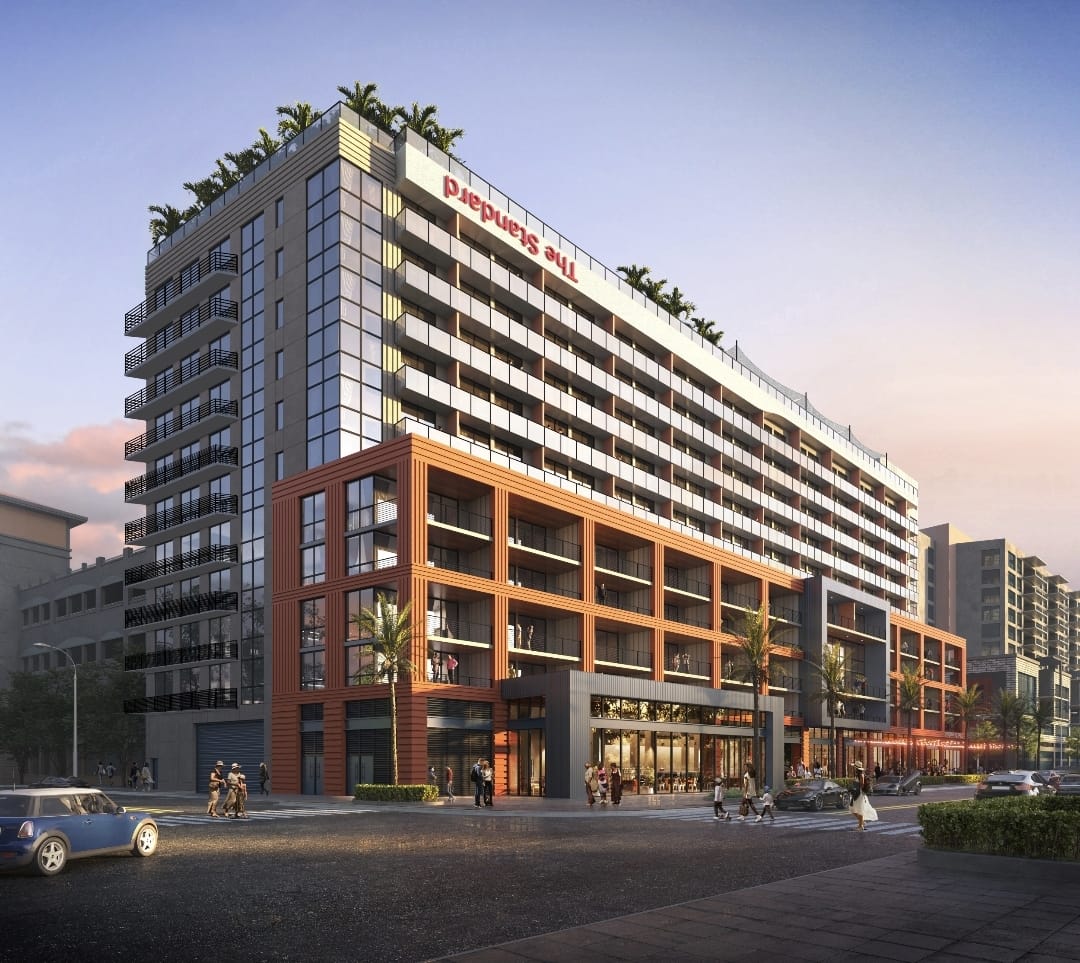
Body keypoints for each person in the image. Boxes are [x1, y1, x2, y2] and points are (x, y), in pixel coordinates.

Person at [849, 762, 878, 831]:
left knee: (860, 809)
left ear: (857, 768)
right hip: (856, 793)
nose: (854, 769)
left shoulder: (861, 775)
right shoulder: (857, 775)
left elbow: (861, 785)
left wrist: (856, 786)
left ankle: (860, 826)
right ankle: (861, 822)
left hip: (860, 794)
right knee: (852, 809)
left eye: (854, 768)